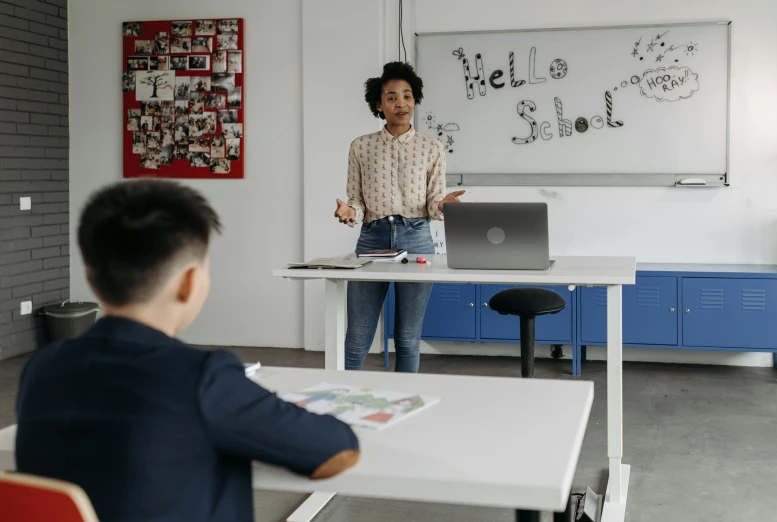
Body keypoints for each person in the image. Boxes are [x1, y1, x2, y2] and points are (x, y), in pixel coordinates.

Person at [15, 179, 360, 522]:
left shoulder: (42, 367)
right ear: (189, 282)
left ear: (91, 276)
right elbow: (335, 448)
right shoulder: (202, 378)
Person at [334, 61, 465, 373]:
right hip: (372, 239)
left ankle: (405, 404)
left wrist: (444, 204)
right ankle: (340, 398)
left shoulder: (431, 148)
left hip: (416, 238)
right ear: (379, 105)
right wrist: (350, 211)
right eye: (391, 97)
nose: (401, 103)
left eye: (407, 95)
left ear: (415, 100)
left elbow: (433, 202)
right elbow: (357, 201)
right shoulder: (361, 146)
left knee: (407, 337)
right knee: (357, 337)